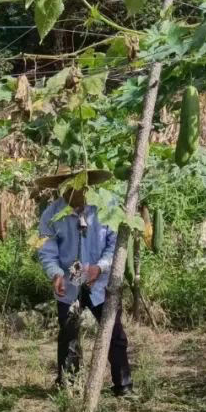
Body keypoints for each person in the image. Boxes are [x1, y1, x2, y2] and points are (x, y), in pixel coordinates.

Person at [35, 167, 133, 396]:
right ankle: (69, 385)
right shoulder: (52, 213)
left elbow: (116, 244)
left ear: (86, 184)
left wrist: (100, 267)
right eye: (66, 187)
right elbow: (47, 251)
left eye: (76, 185)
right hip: (70, 281)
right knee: (68, 333)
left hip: (101, 281)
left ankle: (124, 386)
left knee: (113, 332)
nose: (71, 192)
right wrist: (56, 274)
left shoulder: (106, 205)